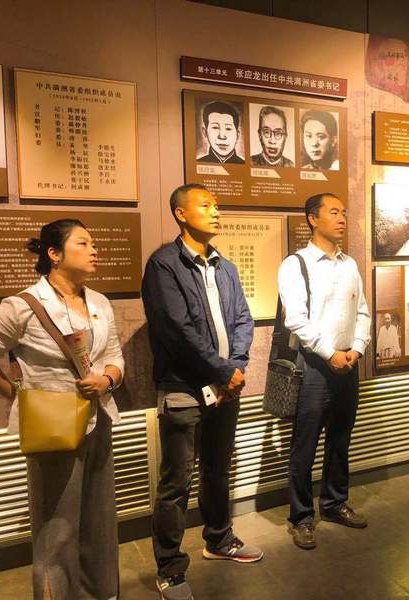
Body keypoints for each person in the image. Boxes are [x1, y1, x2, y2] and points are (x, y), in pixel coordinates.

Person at [0, 219, 124, 599]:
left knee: (100, 520)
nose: (94, 250)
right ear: (54, 254)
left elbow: (114, 355)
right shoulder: (22, 306)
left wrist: (107, 379)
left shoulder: (99, 302)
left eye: (94, 243)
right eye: (83, 243)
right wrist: (19, 396)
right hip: (54, 429)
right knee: (57, 528)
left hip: (99, 419)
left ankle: (102, 593)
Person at [142, 183, 260, 600]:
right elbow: (176, 331)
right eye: (206, 205)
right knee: (176, 482)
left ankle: (219, 538)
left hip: (227, 387)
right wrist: (224, 370)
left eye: (217, 205)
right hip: (184, 388)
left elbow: (243, 319)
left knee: (217, 468)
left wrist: (236, 367)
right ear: (180, 213)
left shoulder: (224, 267)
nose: (216, 211)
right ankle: (170, 569)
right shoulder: (164, 265)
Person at [278, 192, 370, 550]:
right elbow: (296, 319)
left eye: (344, 212)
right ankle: (301, 517)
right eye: (333, 212)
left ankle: (334, 503)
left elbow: (362, 311)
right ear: (312, 219)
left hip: (348, 363)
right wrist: (330, 353)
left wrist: (357, 348)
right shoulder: (296, 264)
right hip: (314, 365)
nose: (342, 218)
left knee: (340, 438)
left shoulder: (349, 264)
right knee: (304, 445)